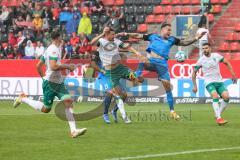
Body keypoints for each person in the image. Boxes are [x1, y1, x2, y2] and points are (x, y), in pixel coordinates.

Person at [120, 23, 206, 120]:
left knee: (168, 88)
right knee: (142, 61)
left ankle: (172, 112)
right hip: (152, 61)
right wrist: (126, 34)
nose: (170, 32)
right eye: (168, 30)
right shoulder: (153, 36)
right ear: (162, 30)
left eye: (170, 30)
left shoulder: (172, 39)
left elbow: (184, 42)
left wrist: (196, 38)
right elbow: (137, 36)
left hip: (162, 65)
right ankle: (136, 77)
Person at [13, 31, 87, 138]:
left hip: (58, 82)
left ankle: (74, 131)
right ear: (58, 38)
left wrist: (43, 77)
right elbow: (53, 66)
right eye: (61, 37)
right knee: (46, 109)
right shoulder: (53, 50)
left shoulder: (49, 49)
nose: (62, 39)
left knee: (68, 102)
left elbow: (38, 65)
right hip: (51, 84)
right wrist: (67, 66)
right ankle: (23, 98)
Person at [90, 27, 147, 123]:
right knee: (122, 94)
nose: (114, 36)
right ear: (107, 34)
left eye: (114, 34)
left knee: (138, 80)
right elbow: (92, 43)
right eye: (112, 34)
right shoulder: (101, 41)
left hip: (121, 69)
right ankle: (123, 117)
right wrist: (102, 33)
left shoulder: (116, 41)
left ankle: (114, 110)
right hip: (111, 73)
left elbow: (127, 46)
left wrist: (137, 53)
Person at [192, 43, 237, 125]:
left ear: (210, 48)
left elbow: (226, 62)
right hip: (209, 82)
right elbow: (194, 73)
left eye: (206, 48)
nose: (204, 50)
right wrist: (195, 86)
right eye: (203, 49)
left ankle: (217, 114)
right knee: (215, 96)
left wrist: (233, 74)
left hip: (219, 81)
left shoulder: (216, 56)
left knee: (226, 97)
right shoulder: (201, 60)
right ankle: (219, 118)